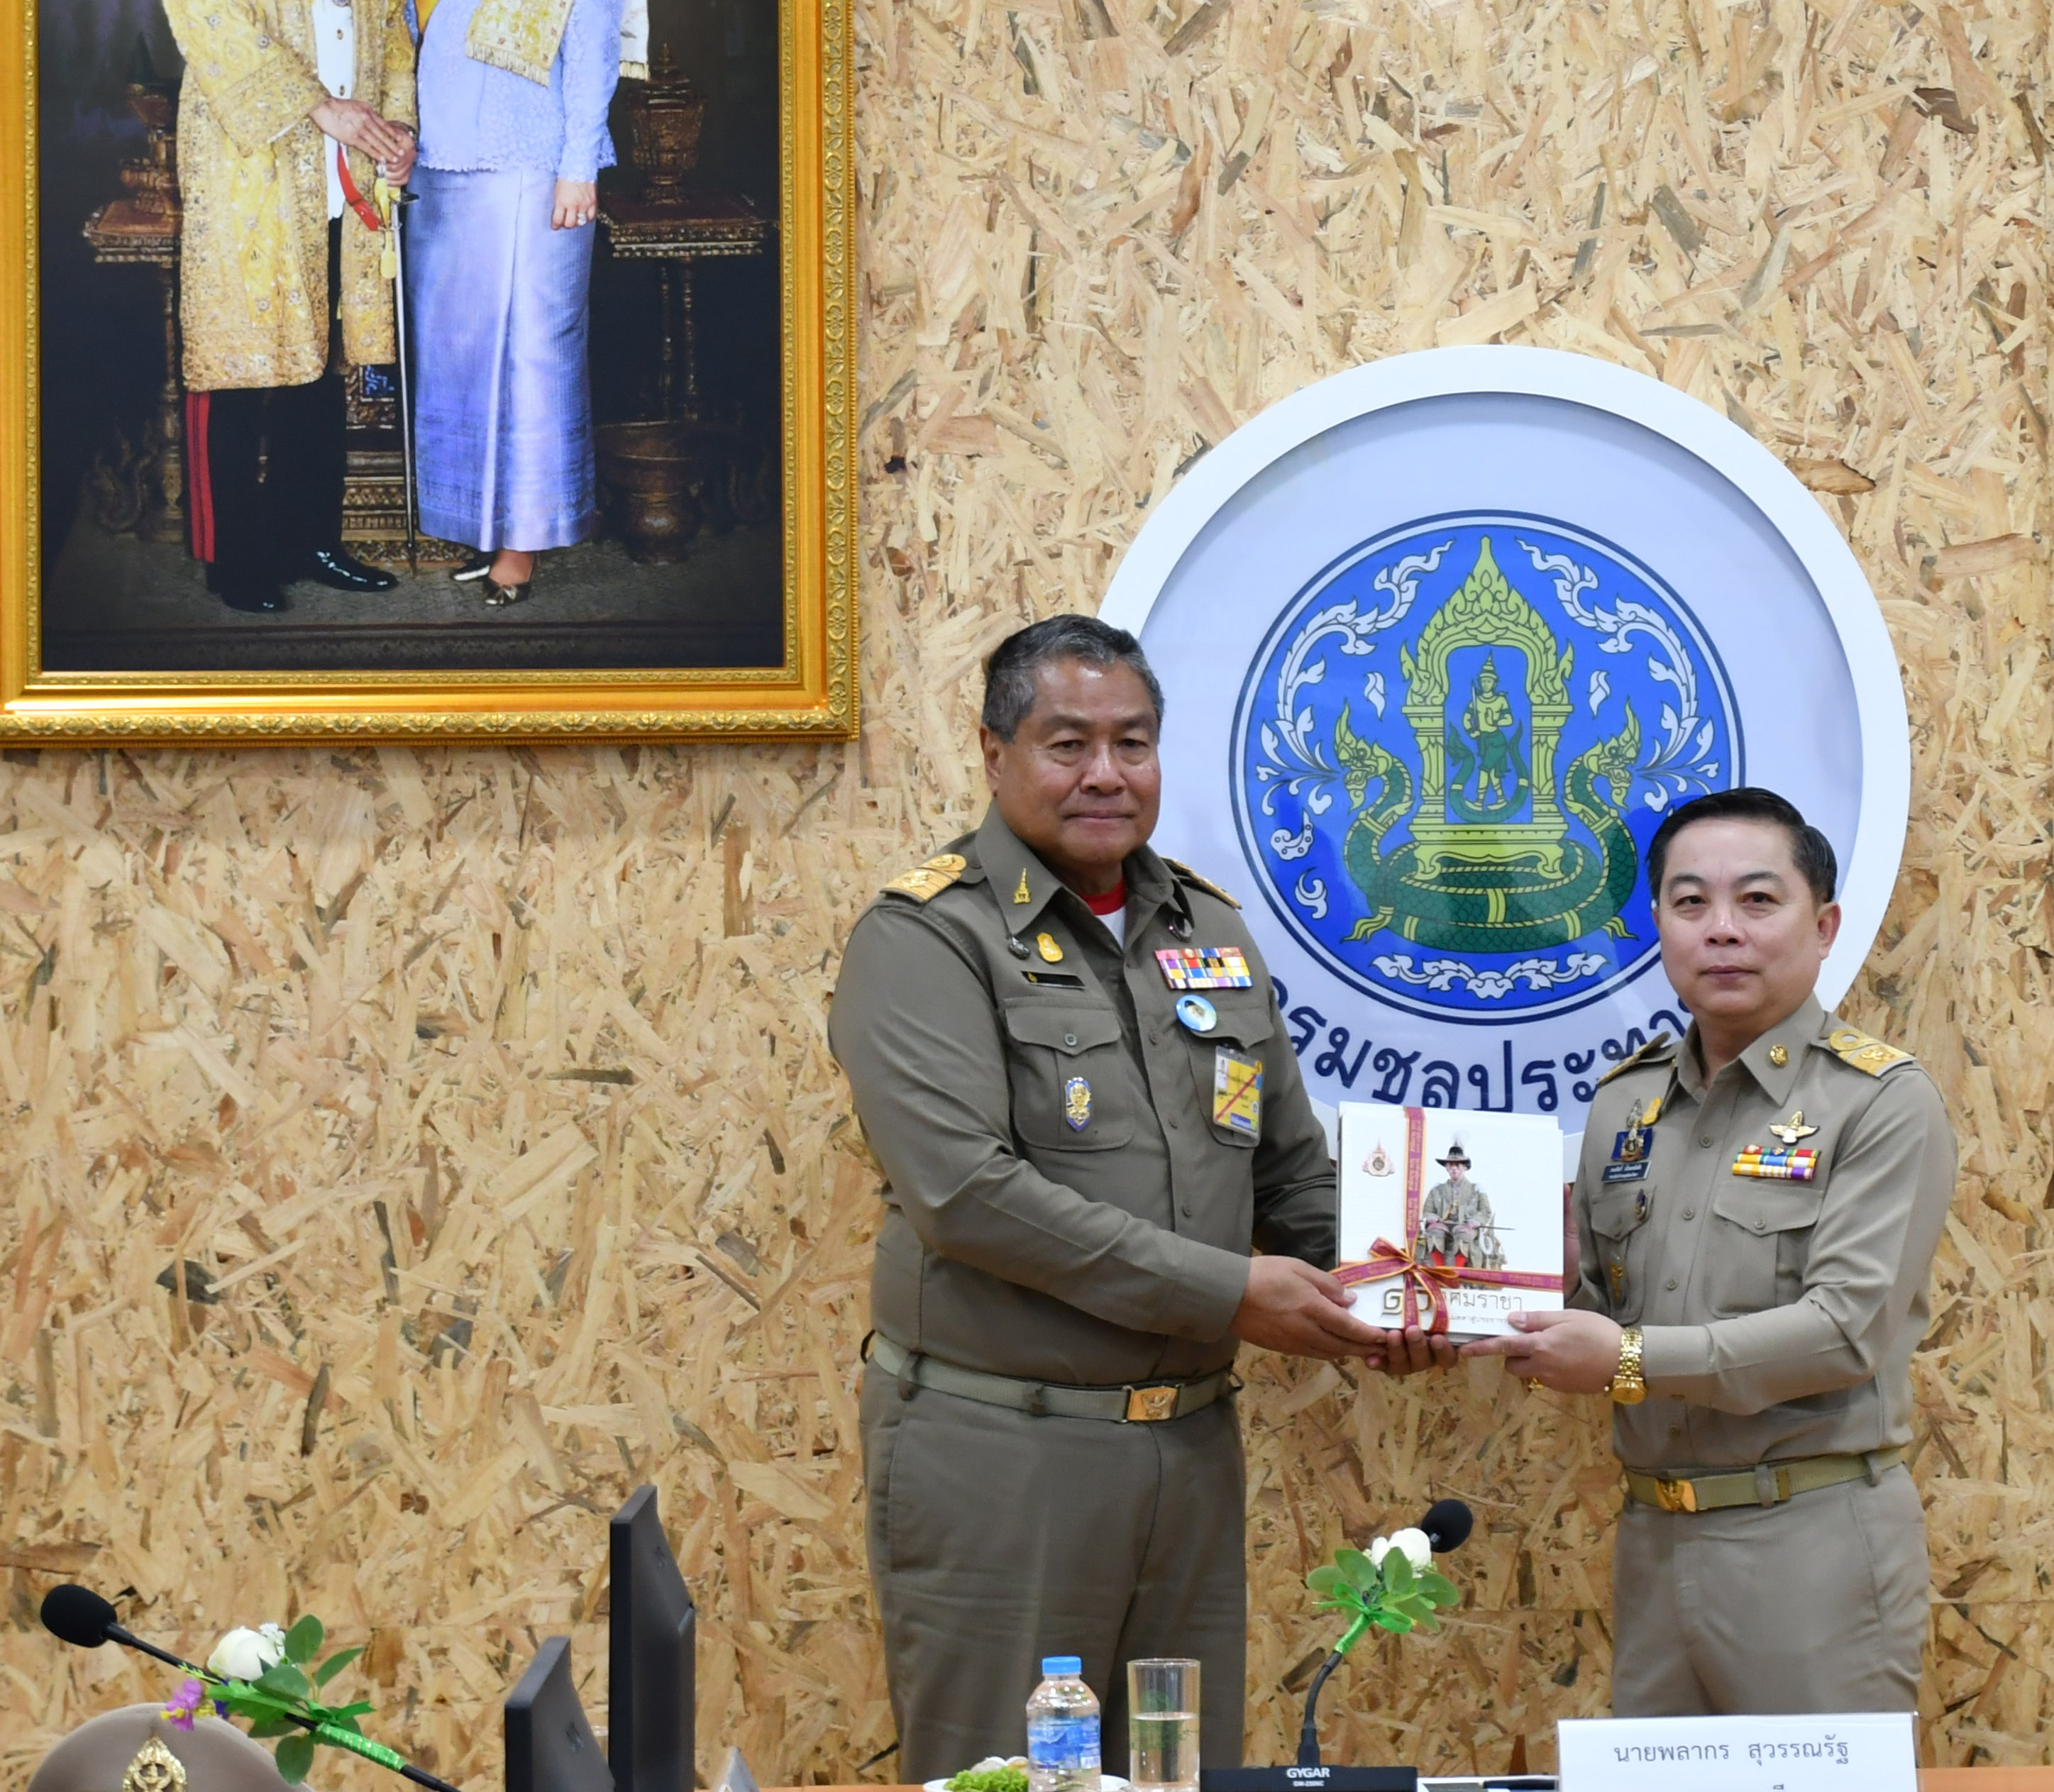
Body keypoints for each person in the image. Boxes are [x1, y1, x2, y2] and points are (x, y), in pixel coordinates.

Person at [827, 615, 1440, 1784]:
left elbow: (1287, 1173)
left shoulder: (1208, 930)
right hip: (1005, 1453)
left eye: (1133, 743)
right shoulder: (929, 938)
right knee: (1005, 1777)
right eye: (1068, 744)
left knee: (1177, 1774)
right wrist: (1229, 1294)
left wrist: (1407, 1291)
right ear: (995, 753)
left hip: (1189, 1449)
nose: (1105, 773)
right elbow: (967, 1195)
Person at [1474, 787, 1956, 1718]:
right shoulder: (1625, 1104)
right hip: (1653, 1537)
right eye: (1690, 902)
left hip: (1809, 1538)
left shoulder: (1878, 1101)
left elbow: (1844, 1331)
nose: (1722, 928)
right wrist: (1521, 1289)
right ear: (1657, 926)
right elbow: (1602, 1313)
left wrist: (1624, 1359)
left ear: (1824, 927)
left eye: (1758, 900)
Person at [149, 0, 415, 616]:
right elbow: (209, 20)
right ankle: (235, 558)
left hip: (345, 169)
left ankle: (313, 538)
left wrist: (395, 128)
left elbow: (389, 15)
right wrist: (317, 107)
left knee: (321, 363)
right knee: (240, 362)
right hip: (253, 162)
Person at [395, 0, 642, 607]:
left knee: (534, 349)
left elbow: (593, 50)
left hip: (538, 163)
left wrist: (580, 167)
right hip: (440, 165)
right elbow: (403, 37)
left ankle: (523, 543)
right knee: (458, 352)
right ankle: (476, 520)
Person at [1415, 1142, 1503, 1271]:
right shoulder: (1437, 1191)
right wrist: (1432, 1219)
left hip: (1466, 1227)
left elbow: (1485, 1212)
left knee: (1463, 1233)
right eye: (1450, 1165)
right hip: (1443, 1225)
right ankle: (1440, 1269)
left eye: (1457, 1165)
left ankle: (1458, 1270)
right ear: (1446, 1167)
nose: (1454, 1169)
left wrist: (1475, 1221)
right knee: (1434, 1231)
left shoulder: (1476, 1190)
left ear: (1465, 1167)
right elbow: (1428, 1211)